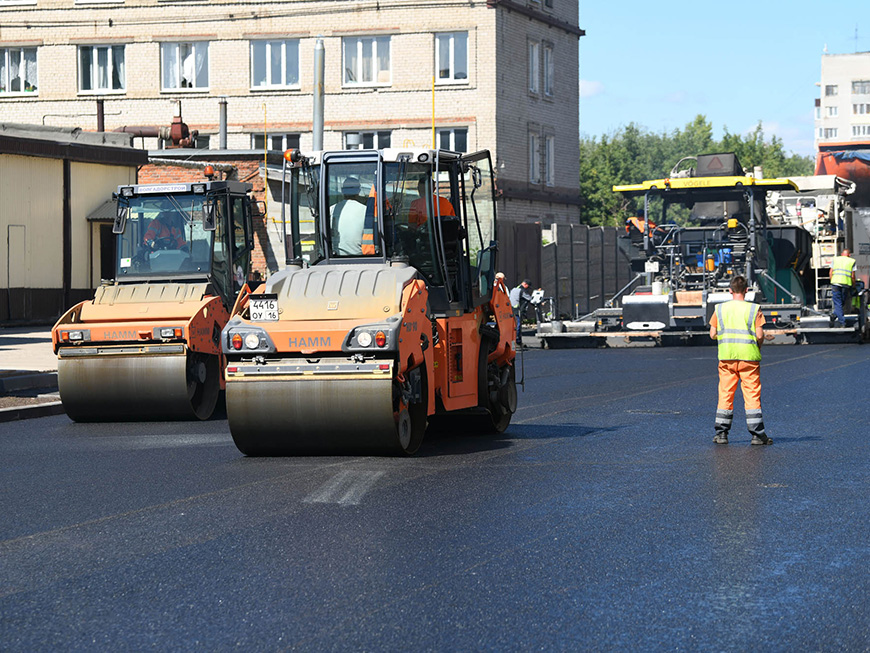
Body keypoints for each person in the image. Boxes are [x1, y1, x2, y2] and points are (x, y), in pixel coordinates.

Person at [708, 275, 772, 446]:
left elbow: (712, 334)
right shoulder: (754, 309)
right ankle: (757, 435)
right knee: (751, 395)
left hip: (727, 357)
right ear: (746, 290)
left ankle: (722, 434)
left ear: (730, 290)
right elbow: (759, 335)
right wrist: (759, 346)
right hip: (749, 358)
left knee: (725, 394)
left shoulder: (720, 309)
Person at [330, 177, 367, 256]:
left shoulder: (332, 210)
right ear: (359, 191)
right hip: (360, 256)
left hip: (335, 256)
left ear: (342, 190)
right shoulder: (366, 210)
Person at [830, 248, 856, 327]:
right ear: (849, 255)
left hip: (835, 283)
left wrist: (832, 281)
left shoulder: (835, 259)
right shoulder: (852, 261)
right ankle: (842, 322)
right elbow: (853, 276)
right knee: (841, 302)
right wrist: (854, 285)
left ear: (841, 254)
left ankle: (834, 315)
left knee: (839, 303)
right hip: (845, 284)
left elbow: (830, 272)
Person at [509, 278, 533, 347]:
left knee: (514, 325)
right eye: (528, 286)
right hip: (517, 311)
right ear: (525, 284)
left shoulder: (514, 289)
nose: (527, 289)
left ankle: (516, 341)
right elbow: (530, 299)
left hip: (511, 310)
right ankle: (517, 341)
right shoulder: (521, 291)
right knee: (518, 325)